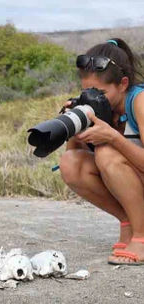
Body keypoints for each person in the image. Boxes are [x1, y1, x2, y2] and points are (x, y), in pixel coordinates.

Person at [59, 38, 144, 265]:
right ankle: (129, 223)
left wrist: (113, 137)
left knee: (106, 153)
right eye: (87, 91)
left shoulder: (139, 101)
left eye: (100, 92)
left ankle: (143, 237)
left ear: (123, 84)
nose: (92, 97)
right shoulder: (97, 108)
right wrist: (74, 128)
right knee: (70, 163)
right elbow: (75, 155)